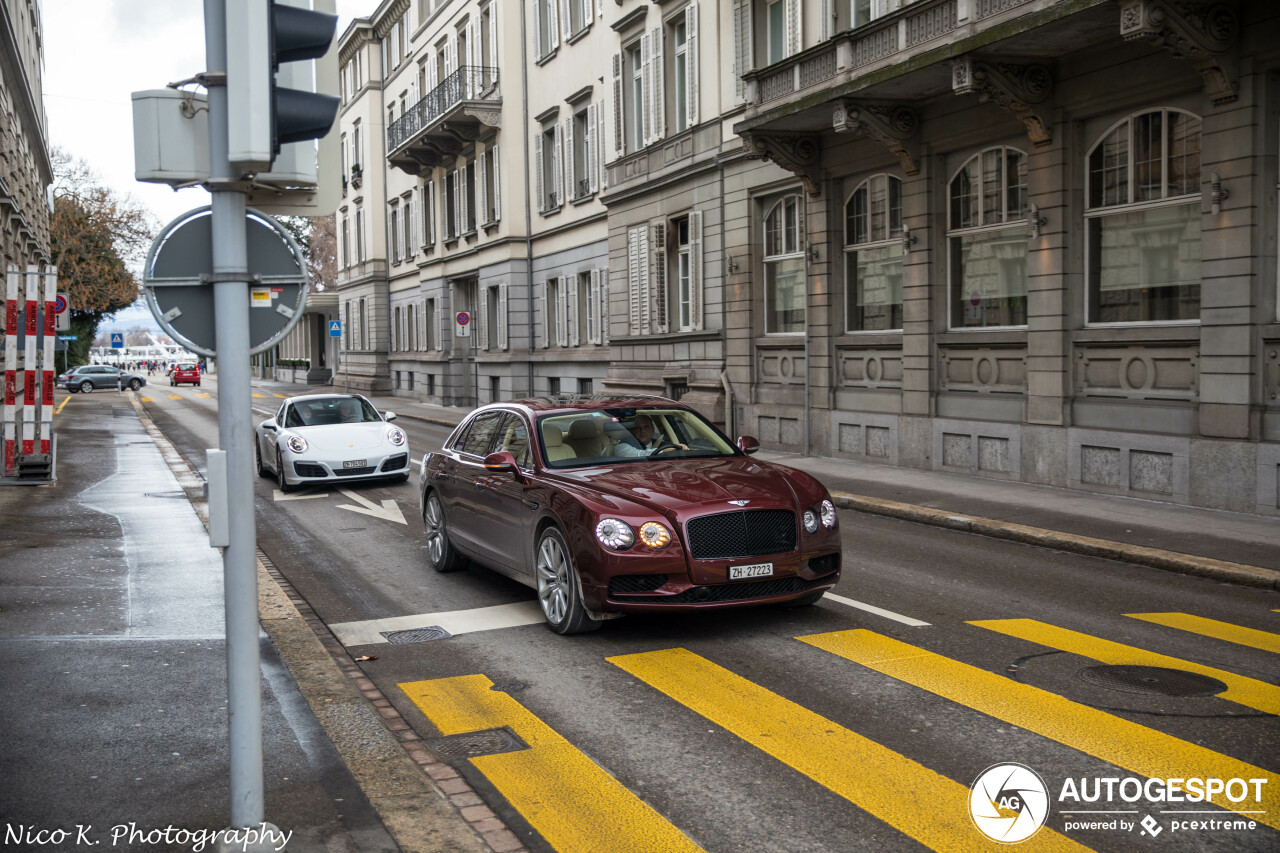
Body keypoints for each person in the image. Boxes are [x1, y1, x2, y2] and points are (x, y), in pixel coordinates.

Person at [612, 414, 685, 458]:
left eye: (646, 427)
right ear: (633, 431)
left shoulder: (663, 445)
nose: (642, 431)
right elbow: (639, 455)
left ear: (652, 430)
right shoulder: (622, 446)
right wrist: (664, 451)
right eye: (638, 428)